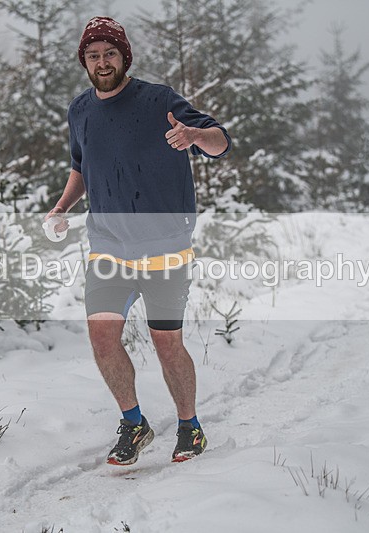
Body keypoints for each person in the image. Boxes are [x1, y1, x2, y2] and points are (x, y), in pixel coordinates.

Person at [44, 17, 231, 465]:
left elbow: (221, 142)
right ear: (84, 62)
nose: (102, 62)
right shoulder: (80, 110)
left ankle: (190, 427)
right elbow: (80, 167)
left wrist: (194, 136)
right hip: (109, 246)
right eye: (93, 56)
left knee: (166, 342)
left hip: (165, 245)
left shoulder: (159, 99)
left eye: (110, 53)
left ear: (124, 57)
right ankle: (134, 423)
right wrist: (62, 206)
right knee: (102, 338)